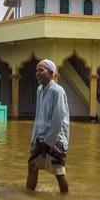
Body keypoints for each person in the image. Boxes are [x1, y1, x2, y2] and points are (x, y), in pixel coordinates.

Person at [27, 59, 70, 193]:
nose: (37, 73)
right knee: (32, 165)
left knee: (59, 172)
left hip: (56, 139)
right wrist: (33, 141)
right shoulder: (39, 90)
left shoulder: (58, 91)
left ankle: (65, 198)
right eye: (36, 70)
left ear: (51, 73)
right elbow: (39, 117)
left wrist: (48, 143)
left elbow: (58, 120)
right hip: (41, 138)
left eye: (41, 70)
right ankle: (29, 197)